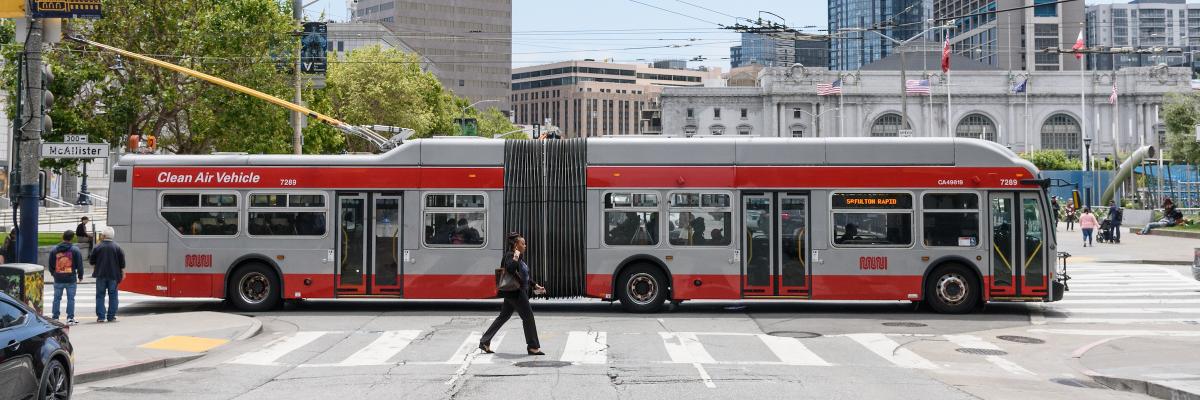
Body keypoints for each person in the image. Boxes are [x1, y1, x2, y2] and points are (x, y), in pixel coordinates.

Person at [479, 232, 545, 356]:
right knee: (528, 318)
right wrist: (516, 255)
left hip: (513, 292)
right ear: (516, 245)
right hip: (516, 293)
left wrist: (534, 285)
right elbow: (510, 269)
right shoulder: (510, 256)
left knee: (503, 317)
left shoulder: (518, 257)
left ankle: (484, 341)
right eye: (523, 243)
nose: (525, 246)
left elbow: (522, 276)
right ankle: (533, 346)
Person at [89, 227, 125, 323]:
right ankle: (111, 316)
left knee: (100, 295)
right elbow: (122, 263)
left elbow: (91, 261)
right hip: (113, 275)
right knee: (113, 295)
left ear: (103, 236)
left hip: (100, 274)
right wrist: (122, 272)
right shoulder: (117, 247)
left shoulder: (97, 246)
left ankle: (101, 317)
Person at [49, 230, 84, 325]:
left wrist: (54, 274)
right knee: (71, 299)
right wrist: (80, 275)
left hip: (58, 278)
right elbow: (80, 265)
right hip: (71, 278)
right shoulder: (75, 250)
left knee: (56, 298)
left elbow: (51, 265)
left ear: (62, 237)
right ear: (72, 238)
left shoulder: (54, 250)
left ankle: (55, 317)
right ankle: (70, 318)